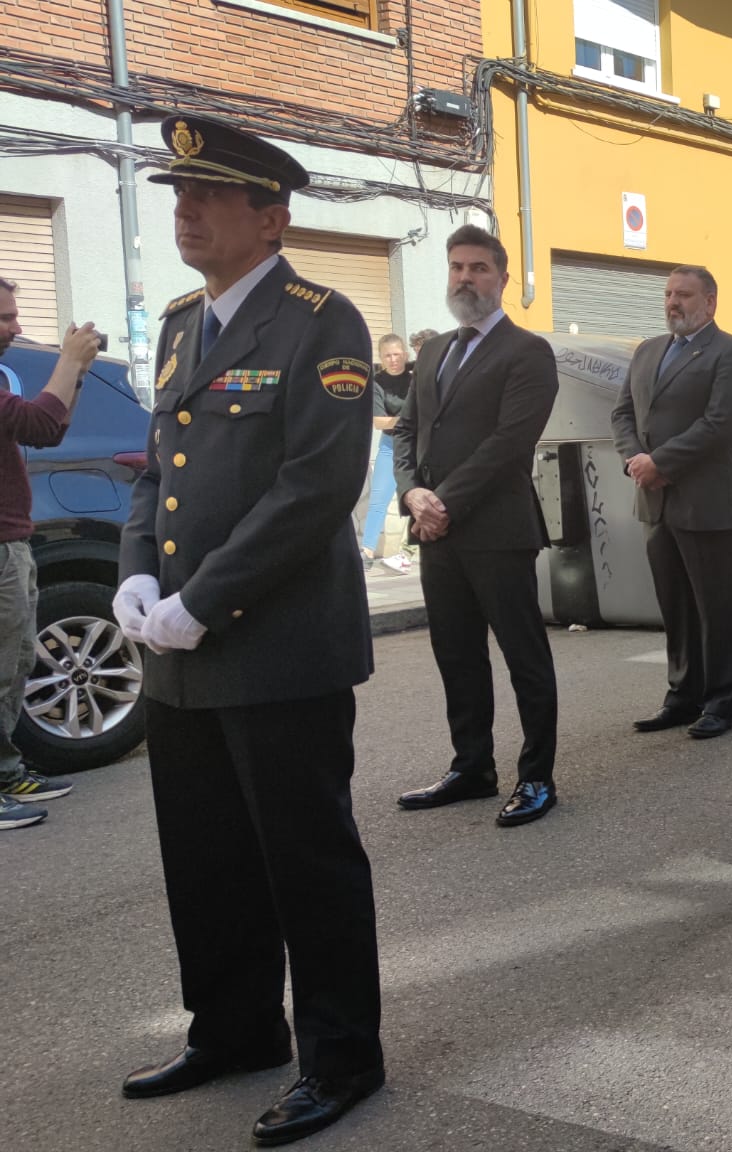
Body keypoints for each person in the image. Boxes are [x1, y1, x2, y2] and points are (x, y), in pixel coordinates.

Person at [112, 115, 384, 1145]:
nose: (184, 209)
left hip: (275, 648)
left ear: (270, 218)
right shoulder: (184, 320)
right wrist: (137, 580)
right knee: (206, 856)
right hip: (179, 653)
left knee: (304, 862)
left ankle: (342, 1055)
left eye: (209, 195)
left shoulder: (323, 321)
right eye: (180, 193)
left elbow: (314, 487)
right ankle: (233, 1028)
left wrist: (199, 601)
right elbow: (157, 469)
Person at [391, 226, 563, 826]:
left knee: (524, 658)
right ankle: (472, 768)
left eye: (479, 268)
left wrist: (442, 503)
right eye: (458, 267)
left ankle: (537, 778)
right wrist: (412, 492)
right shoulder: (435, 350)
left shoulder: (527, 351)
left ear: (503, 279)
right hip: (437, 534)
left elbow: (509, 443)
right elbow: (407, 430)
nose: (466, 278)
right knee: (457, 656)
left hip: (496, 530)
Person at [612, 265, 732, 739]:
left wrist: (660, 462)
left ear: (710, 301)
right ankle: (682, 696)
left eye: (685, 294)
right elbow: (621, 413)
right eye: (669, 293)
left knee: (717, 610)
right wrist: (635, 457)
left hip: (709, 504)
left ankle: (720, 702)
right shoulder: (647, 351)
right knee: (674, 607)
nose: (673, 302)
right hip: (655, 503)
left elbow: (719, 425)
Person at [0, 280, 90, 830]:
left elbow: (49, 431)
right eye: (5, 317)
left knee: (12, 667)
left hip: (12, 542)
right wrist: (68, 359)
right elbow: (35, 422)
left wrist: (74, 374)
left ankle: (7, 772)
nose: (15, 326)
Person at [360, 334, 409, 571]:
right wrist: (409, 420)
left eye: (397, 354)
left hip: (418, 445)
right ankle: (367, 550)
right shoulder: (376, 382)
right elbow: (379, 422)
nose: (393, 359)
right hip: (390, 445)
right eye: (387, 355)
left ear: (405, 354)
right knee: (378, 498)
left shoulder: (416, 376)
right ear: (381, 357)